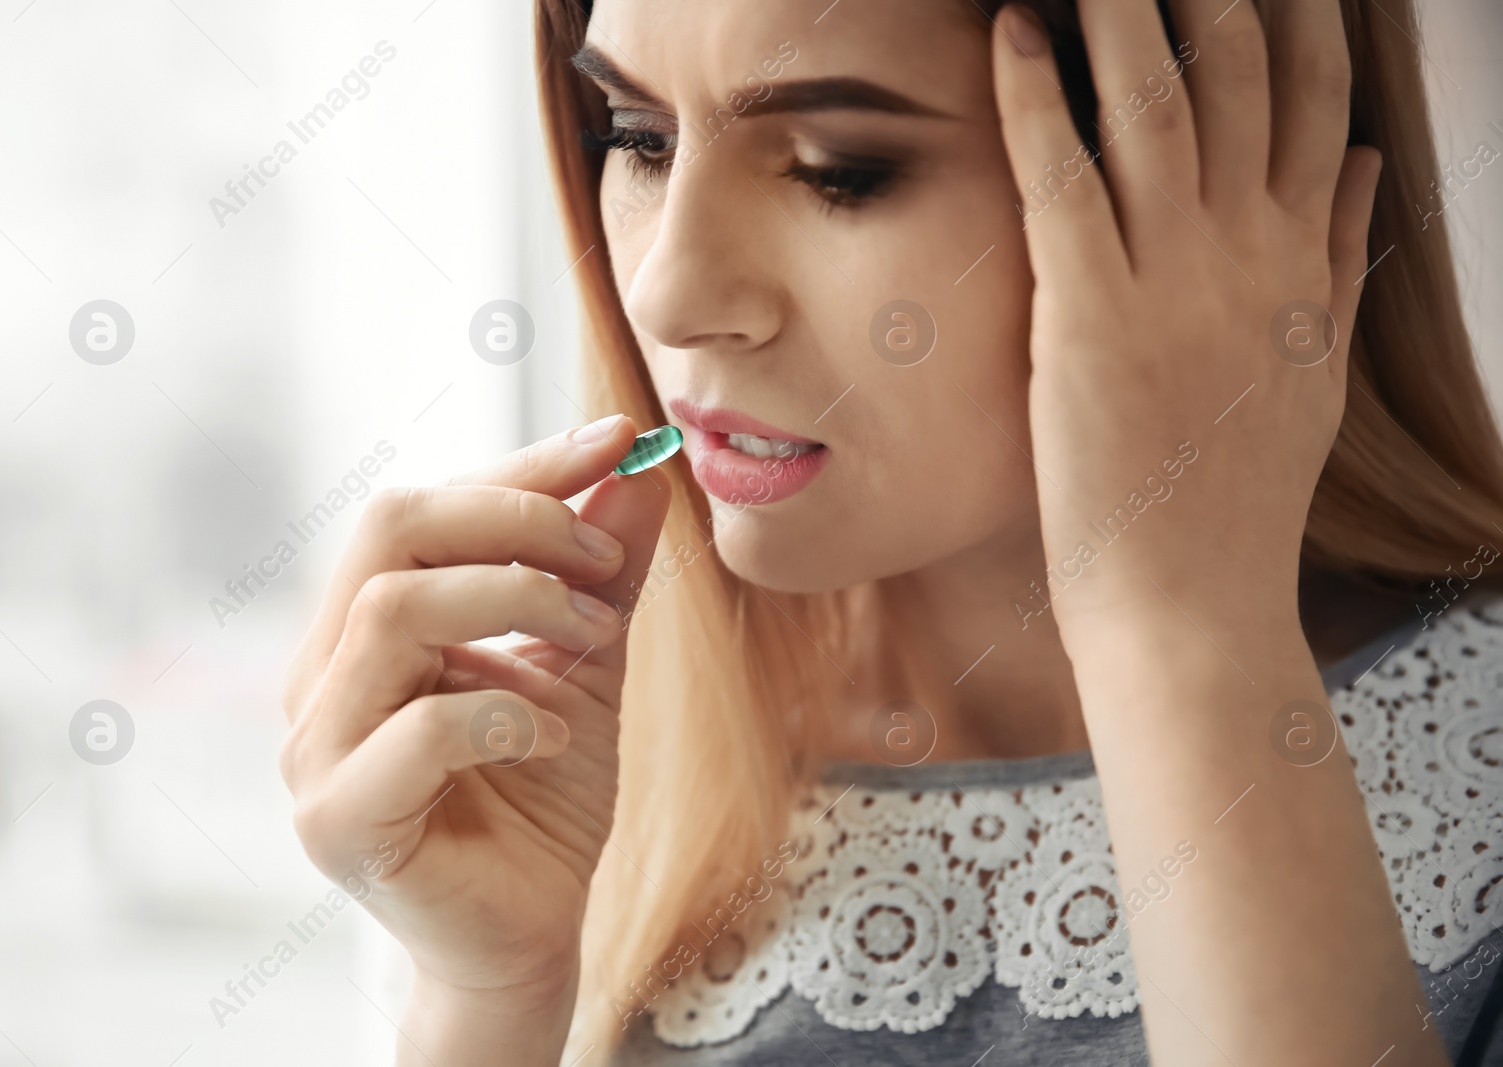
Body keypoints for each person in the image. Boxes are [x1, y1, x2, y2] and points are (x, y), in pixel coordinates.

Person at [280, 0, 1503, 1063]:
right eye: (639, 139)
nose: (667, 289)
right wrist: (485, 1002)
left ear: (1229, 171)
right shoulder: (558, 752)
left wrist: (1183, 633)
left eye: (838, 167)